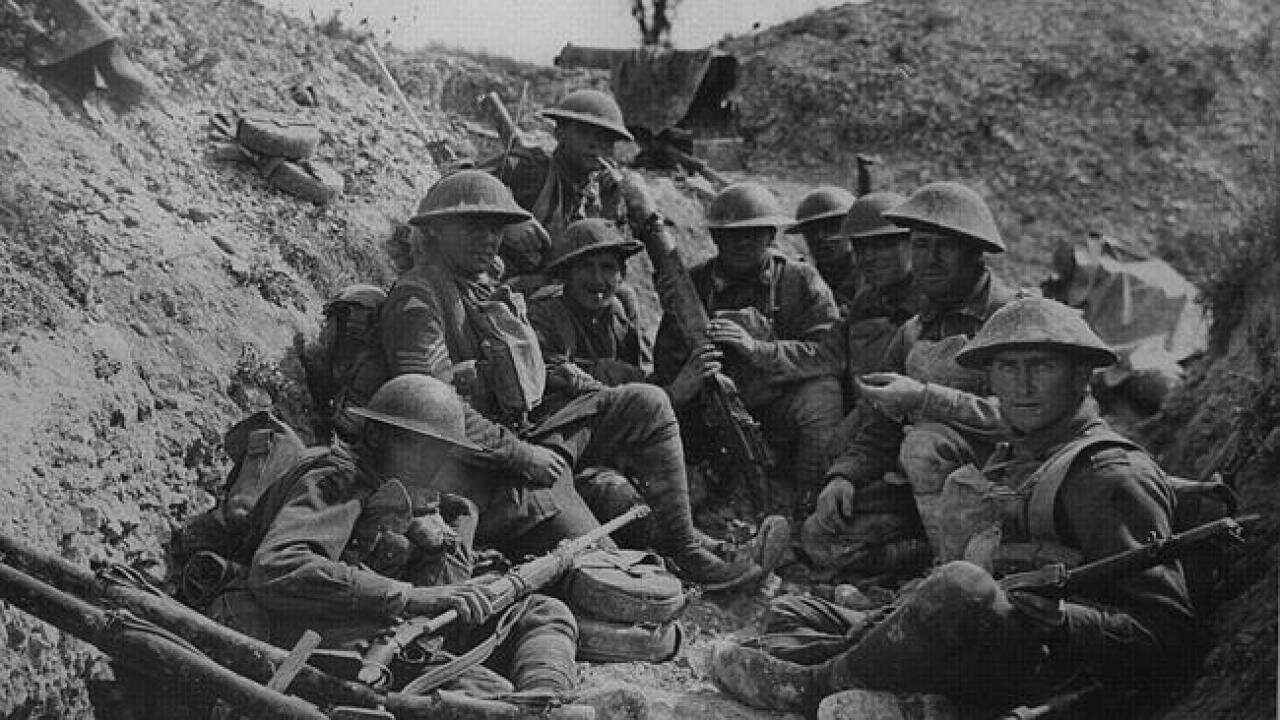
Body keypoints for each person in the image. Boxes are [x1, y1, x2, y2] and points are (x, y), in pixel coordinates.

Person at [707, 297, 1199, 714]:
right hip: (984, 641)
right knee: (796, 614)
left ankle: (810, 688)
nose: (1023, 386)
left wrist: (1063, 617)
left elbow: (1170, 640)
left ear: (1080, 378)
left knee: (960, 585)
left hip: (1047, 671)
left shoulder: (1107, 474)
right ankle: (896, 694)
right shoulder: (1024, 450)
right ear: (992, 379)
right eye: (1009, 368)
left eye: (1042, 367)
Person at [378, 169, 759, 589]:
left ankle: (688, 548)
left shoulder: (479, 287)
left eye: (495, 228)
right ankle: (659, 563)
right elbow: (432, 417)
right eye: (473, 228)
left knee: (647, 402)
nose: (489, 239)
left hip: (524, 437)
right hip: (473, 472)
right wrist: (521, 454)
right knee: (606, 568)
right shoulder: (418, 300)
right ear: (435, 231)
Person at [243, 374, 585, 707]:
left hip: (400, 622)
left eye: (445, 451)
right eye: (426, 448)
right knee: (484, 689)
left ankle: (548, 698)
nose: (438, 464)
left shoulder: (410, 491)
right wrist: (414, 597)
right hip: (327, 629)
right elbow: (278, 566)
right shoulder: (338, 481)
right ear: (377, 436)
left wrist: (451, 560)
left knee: (543, 612)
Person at [527, 217, 790, 565]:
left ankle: (719, 551)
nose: (597, 280)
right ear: (566, 274)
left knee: (677, 491)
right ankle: (696, 557)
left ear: (622, 274)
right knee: (619, 496)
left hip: (609, 448)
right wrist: (675, 392)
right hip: (561, 456)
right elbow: (580, 397)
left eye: (607, 268)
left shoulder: (618, 320)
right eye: (585, 268)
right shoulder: (545, 316)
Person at [800, 181, 1016, 575]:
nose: (929, 260)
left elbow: (1022, 421)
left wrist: (924, 400)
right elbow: (882, 419)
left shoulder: (1012, 320)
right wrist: (845, 476)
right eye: (920, 245)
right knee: (820, 534)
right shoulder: (915, 329)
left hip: (1004, 484)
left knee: (924, 444)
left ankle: (955, 573)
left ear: (974, 252)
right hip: (919, 486)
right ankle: (921, 559)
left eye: (944, 246)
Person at [651, 182, 844, 516]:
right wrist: (691, 377)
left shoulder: (799, 281)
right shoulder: (691, 287)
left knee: (823, 395)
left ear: (771, 235)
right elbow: (665, 361)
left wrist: (759, 350)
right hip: (707, 412)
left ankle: (809, 500)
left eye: (753, 234)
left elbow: (830, 352)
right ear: (714, 238)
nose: (741, 242)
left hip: (777, 405)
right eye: (730, 235)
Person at [480, 88, 635, 297]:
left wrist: (610, 212)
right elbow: (457, 183)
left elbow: (605, 265)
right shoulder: (533, 169)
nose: (594, 144)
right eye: (583, 132)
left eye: (604, 139)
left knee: (624, 297)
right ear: (560, 133)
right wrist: (506, 222)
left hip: (558, 287)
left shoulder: (598, 194)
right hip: (503, 284)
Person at [786, 186, 858, 310]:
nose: (820, 237)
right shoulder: (800, 281)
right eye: (811, 230)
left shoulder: (874, 276)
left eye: (831, 226)